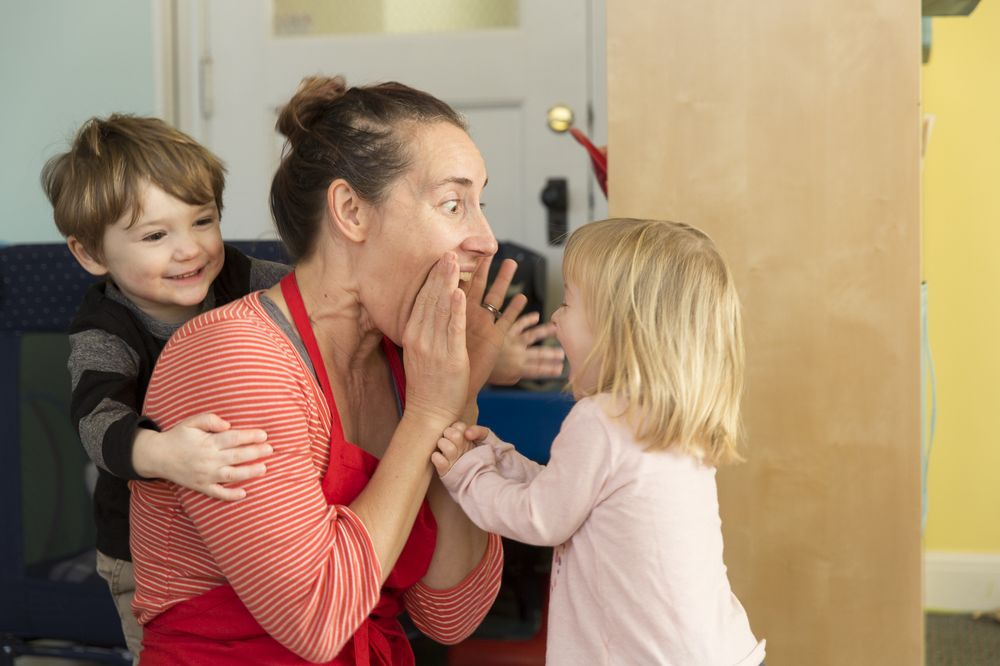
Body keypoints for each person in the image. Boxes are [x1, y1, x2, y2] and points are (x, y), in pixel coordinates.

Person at [128, 76, 521, 664]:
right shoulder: (233, 356)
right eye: (452, 203)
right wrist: (432, 413)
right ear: (350, 211)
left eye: (480, 204)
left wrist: (457, 406)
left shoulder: (409, 367)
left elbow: (451, 616)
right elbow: (316, 620)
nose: (486, 240)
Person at [433, 218, 767, 665]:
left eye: (568, 302)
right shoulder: (668, 419)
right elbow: (573, 497)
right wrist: (495, 454)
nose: (555, 316)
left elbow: (541, 518)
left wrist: (466, 474)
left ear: (617, 328)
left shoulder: (602, 420)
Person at [40, 114, 288, 659]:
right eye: (156, 235)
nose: (190, 250)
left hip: (246, 532)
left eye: (203, 221)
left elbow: (332, 302)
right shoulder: (105, 328)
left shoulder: (247, 280)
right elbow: (96, 422)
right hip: (147, 558)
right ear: (90, 254)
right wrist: (164, 453)